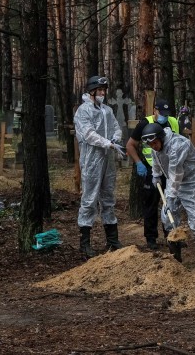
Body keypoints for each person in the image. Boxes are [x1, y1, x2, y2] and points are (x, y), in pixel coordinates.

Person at [143, 123, 195, 267]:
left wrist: (170, 198)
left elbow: (176, 173)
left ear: (161, 139)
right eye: (150, 145)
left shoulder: (178, 145)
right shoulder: (155, 146)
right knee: (167, 216)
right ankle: (176, 258)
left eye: (155, 143)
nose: (153, 147)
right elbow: (156, 160)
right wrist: (156, 175)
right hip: (173, 182)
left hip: (190, 181)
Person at [74, 75, 127, 258]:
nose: (103, 93)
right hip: (91, 160)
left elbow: (116, 127)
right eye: (100, 90)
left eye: (104, 90)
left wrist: (115, 139)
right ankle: (85, 242)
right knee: (89, 199)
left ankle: (112, 241)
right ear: (91, 91)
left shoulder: (107, 110)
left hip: (108, 160)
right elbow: (88, 134)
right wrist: (107, 143)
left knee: (108, 197)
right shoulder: (83, 110)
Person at [126, 98, 180, 249]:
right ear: (155, 111)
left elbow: (179, 142)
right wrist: (138, 163)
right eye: (161, 113)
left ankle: (171, 236)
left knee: (170, 202)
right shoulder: (145, 124)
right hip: (151, 170)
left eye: (166, 114)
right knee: (151, 203)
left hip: (169, 170)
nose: (164, 116)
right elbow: (130, 145)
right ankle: (151, 238)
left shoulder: (173, 122)